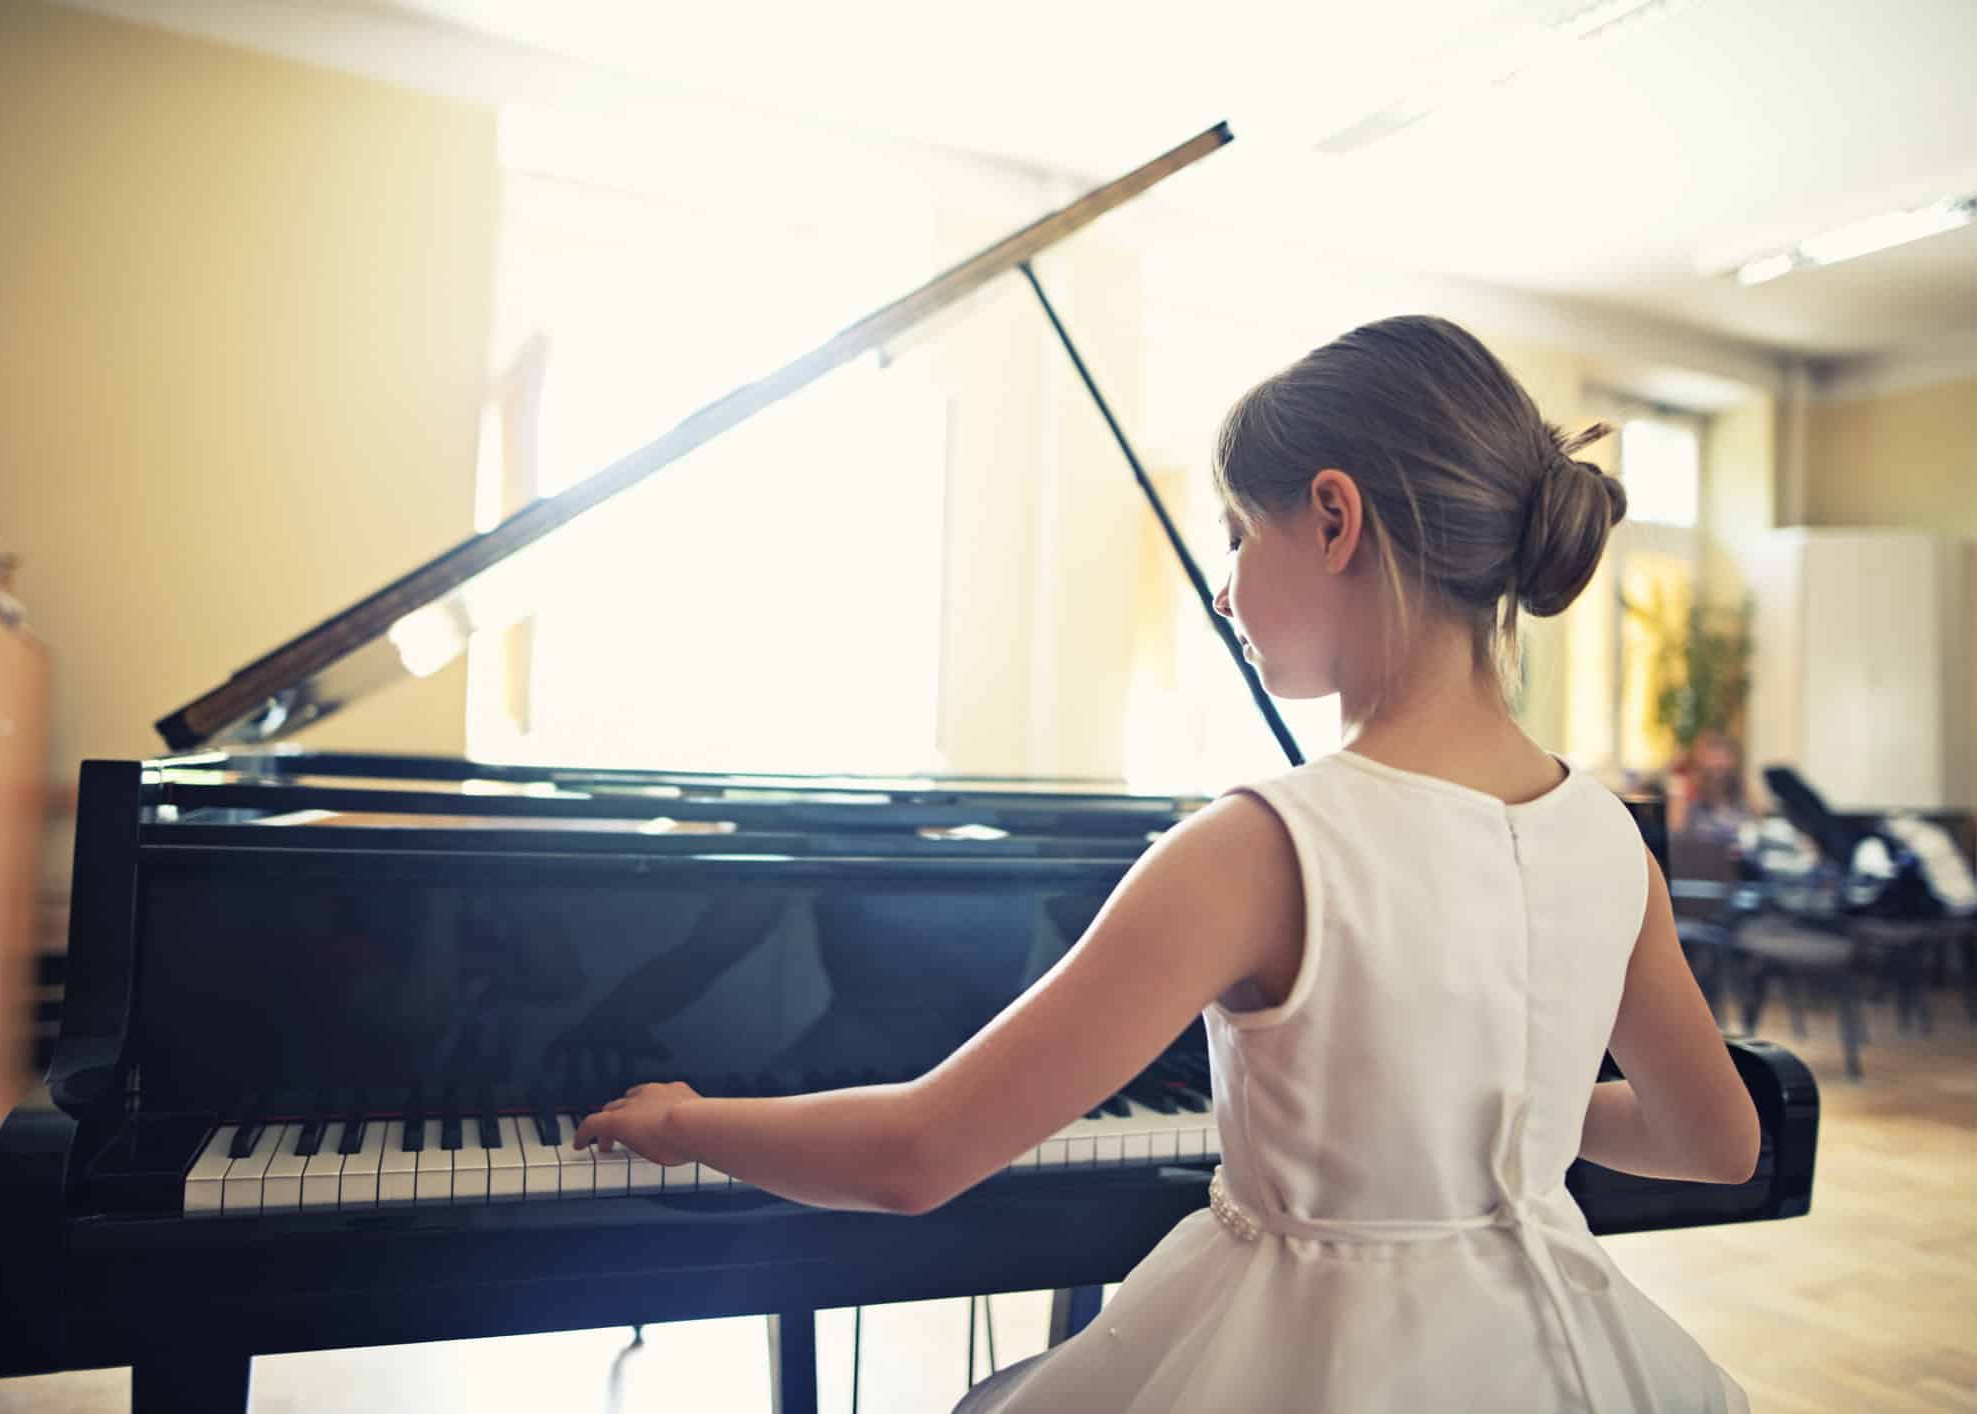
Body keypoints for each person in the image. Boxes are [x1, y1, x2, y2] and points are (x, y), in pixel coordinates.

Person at [574, 315, 1762, 1412]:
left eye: (1240, 533)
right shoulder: (1607, 832)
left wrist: (686, 1120)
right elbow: (1717, 1141)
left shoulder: (1259, 847)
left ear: (1335, 519)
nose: (1226, 582)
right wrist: (1508, 1117)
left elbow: (916, 1156)